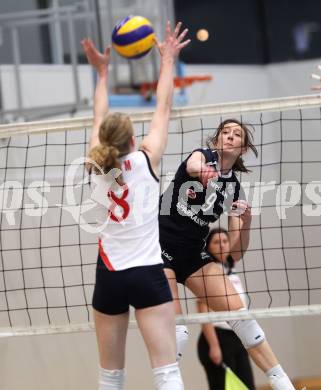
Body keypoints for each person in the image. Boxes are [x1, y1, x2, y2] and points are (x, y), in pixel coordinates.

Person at [81, 21, 190, 390]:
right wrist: (168, 60)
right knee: (166, 370)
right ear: (132, 138)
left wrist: (102, 72)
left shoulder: (94, 163)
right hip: (147, 273)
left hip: (109, 275)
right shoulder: (146, 160)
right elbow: (164, 104)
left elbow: (98, 116)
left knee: (110, 375)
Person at [159, 119, 295, 390]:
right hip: (159, 246)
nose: (230, 137)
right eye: (225, 132)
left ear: (243, 148)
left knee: (245, 321)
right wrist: (203, 172)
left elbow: (234, 253)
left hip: (193, 255)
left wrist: (246, 223)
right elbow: (191, 165)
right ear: (217, 139)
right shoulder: (203, 156)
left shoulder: (234, 189)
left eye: (237, 135)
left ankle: (284, 385)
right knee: (179, 331)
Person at [197, 228, 255, 390]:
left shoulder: (231, 269)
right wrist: (214, 346)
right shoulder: (208, 272)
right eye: (216, 242)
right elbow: (203, 313)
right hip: (217, 338)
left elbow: (238, 236)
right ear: (208, 247)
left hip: (237, 336)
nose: (222, 245)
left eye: (225, 241)